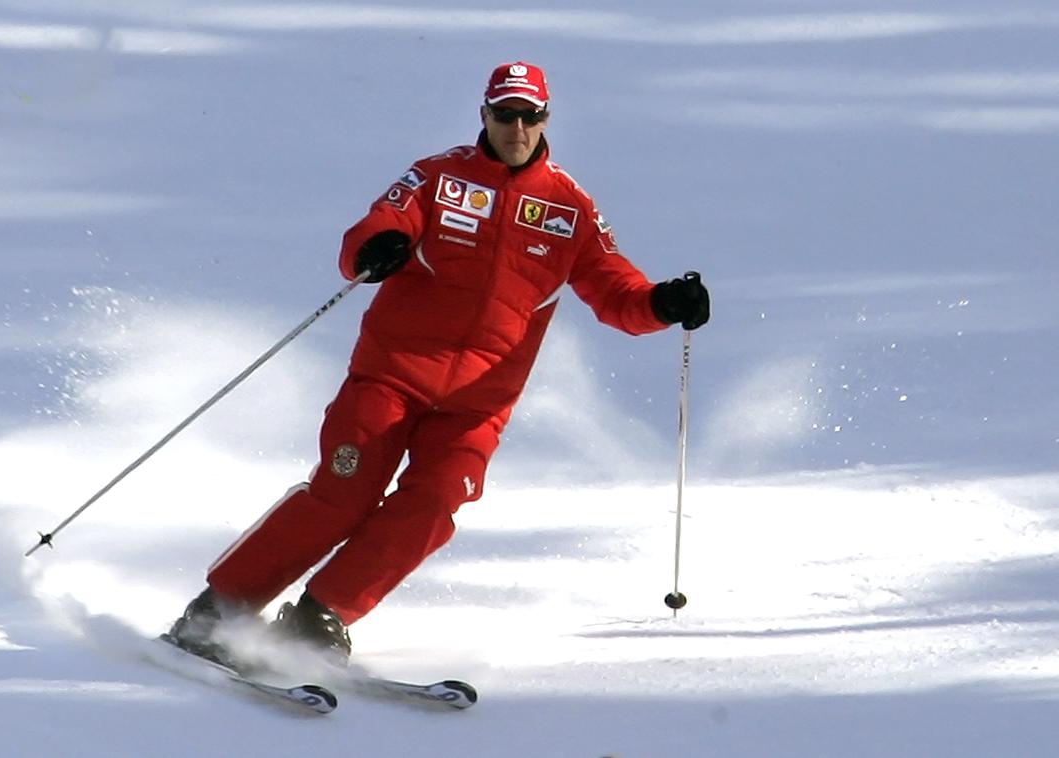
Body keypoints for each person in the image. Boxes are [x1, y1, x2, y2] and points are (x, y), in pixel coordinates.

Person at [165, 61, 710, 667]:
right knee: (343, 491)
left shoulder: (569, 209)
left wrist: (663, 303)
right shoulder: (438, 177)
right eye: (506, 114)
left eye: (530, 117)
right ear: (484, 114)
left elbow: (618, 294)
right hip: (392, 375)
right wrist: (378, 246)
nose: (517, 128)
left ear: (547, 120)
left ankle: (320, 617)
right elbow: (376, 227)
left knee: (434, 503)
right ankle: (220, 608)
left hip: (477, 404)